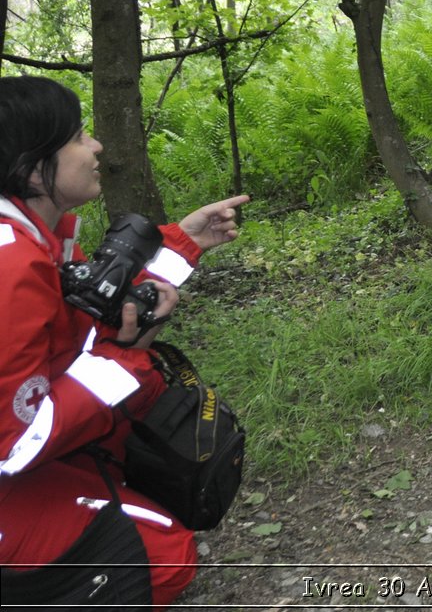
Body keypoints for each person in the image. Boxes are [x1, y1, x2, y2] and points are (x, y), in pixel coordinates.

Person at [0, 76, 248, 608]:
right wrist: (124, 358)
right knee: (165, 562)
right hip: (10, 463)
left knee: (158, 445)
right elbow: (13, 445)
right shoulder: (10, 265)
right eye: (77, 137)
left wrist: (185, 241)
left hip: (26, 445)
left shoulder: (37, 234)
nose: (95, 147)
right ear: (30, 167)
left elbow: (96, 314)